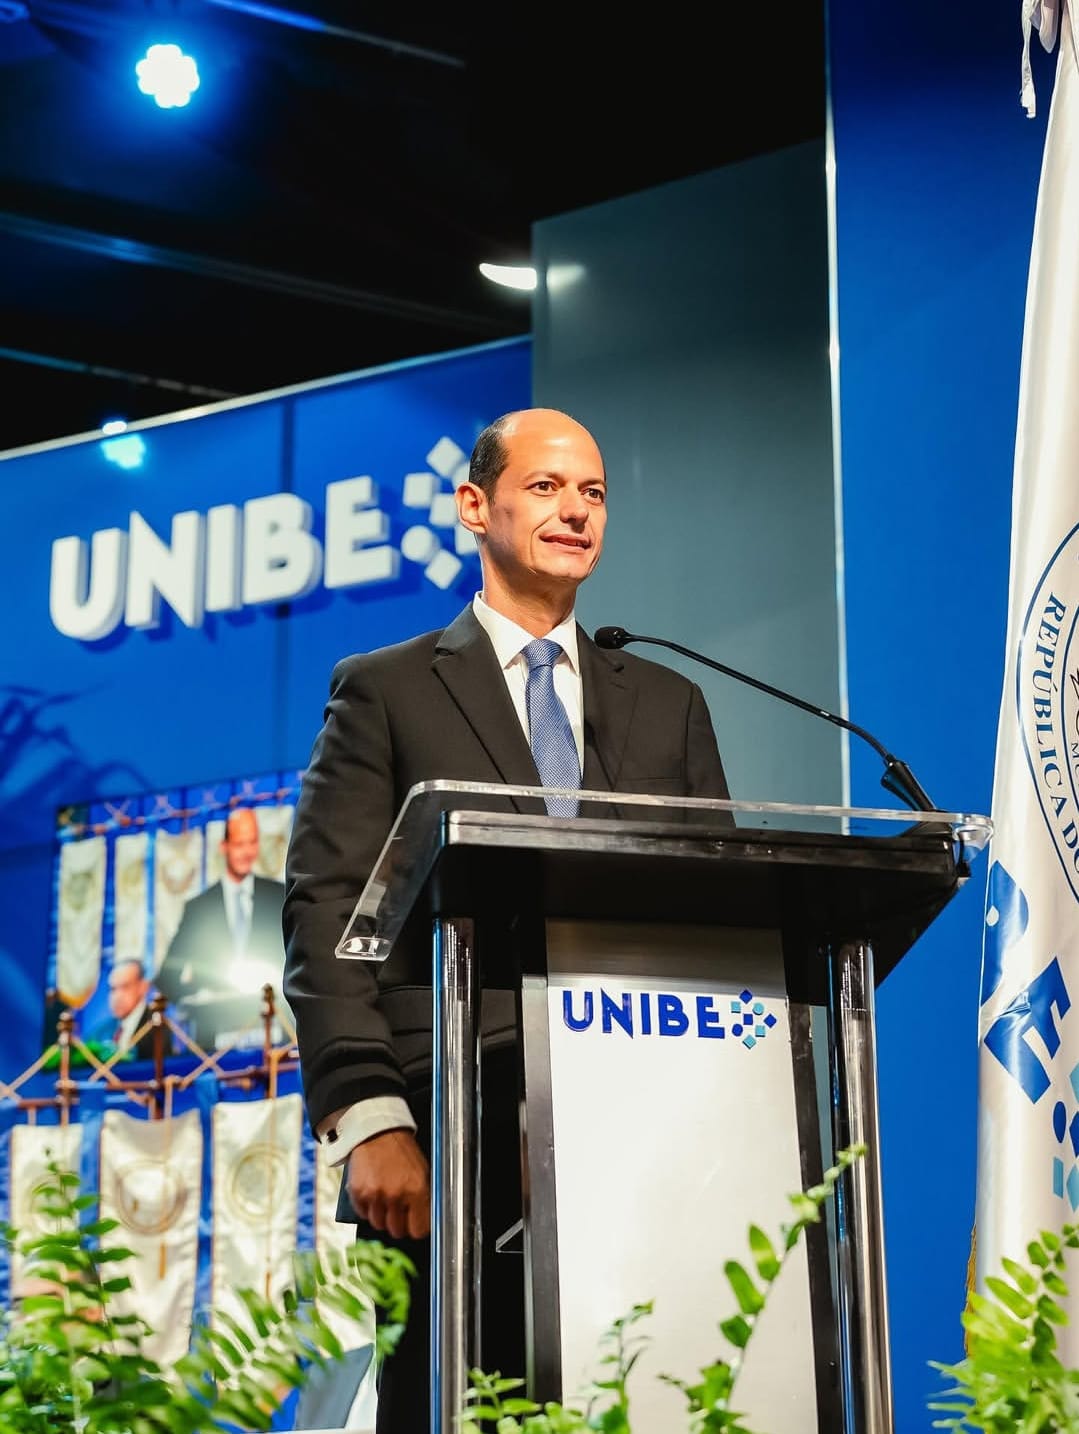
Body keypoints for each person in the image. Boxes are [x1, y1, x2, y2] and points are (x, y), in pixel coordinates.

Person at [282, 407, 730, 1433]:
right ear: (473, 505)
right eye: (545, 487)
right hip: (452, 1135)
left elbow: (715, 911)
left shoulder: (670, 702)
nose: (574, 510)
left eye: (593, 493)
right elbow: (326, 910)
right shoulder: (385, 691)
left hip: (648, 1131)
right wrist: (372, 1119)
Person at [156, 807, 286, 1049]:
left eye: (252, 843)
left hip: (273, 1032)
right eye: (239, 844)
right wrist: (202, 994)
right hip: (214, 1040)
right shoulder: (199, 909)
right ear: (224, 846)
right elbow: (167, 978)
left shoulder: (278, 896)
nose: (247, 852)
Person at [86, 959, 160, 1060]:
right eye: (113, 989)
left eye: (125, 987)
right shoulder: (99, 1033)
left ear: (143, 987)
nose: (117, 996)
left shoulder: (158, 1027)